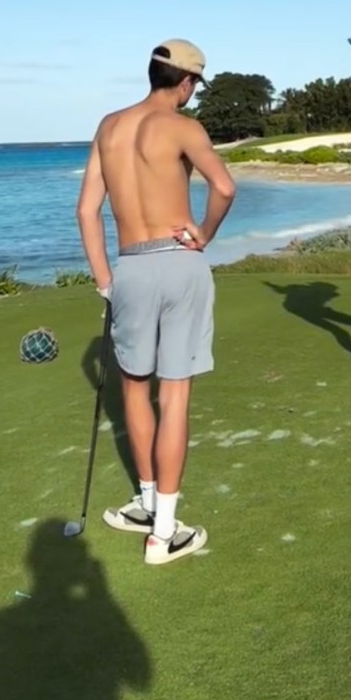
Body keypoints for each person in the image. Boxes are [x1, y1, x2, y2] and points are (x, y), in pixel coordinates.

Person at [76, 39, 236, 565]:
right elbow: (224, 188)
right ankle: (164, 534)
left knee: (135, 392)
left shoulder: (109, 126)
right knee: (177, 397)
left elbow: (86, 211)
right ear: (186, 83)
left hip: (130, 267)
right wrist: (205, 235)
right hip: (179, 262)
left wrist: (104, 278)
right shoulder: (185, 127)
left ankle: (146, 505)